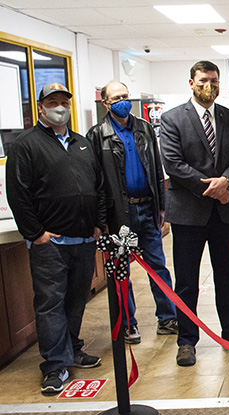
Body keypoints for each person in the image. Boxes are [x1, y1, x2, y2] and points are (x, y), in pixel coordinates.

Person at [160, 60, 229, 367]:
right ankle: (187, 340)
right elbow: (172, 163)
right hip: (189, 213)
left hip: (225, 212)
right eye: (204, 80)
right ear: (191, 83)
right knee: (188, 280)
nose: (210, 85)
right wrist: (210, 187)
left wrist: (227, 182)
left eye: (215, 81)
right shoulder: (172, 118)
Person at [6, 83, 105, 394]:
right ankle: (54, 366)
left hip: (84, 241)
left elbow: (99, 187)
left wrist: (99, 224)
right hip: (50, 244)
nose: (60, 106)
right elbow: (18, 193)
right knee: (51, 304)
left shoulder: (82, 143)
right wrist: (36, 234)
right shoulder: (27, 144)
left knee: (76, 301)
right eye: (53, 102)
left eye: (64, 101)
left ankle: (72, 349)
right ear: (40, 108)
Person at [87, 81, 178, 345]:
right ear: (105, 102)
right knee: (121, 270)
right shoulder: (98, 134)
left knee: (158, 266)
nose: (122, 101)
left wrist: (162, 206)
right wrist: (102, 220)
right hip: (119, 213)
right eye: (116, 98)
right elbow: (97, 181)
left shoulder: (144, 128)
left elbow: (157, 169)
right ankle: (128, 324)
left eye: (125, 96)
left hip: (147, 206)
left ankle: (168, 317)